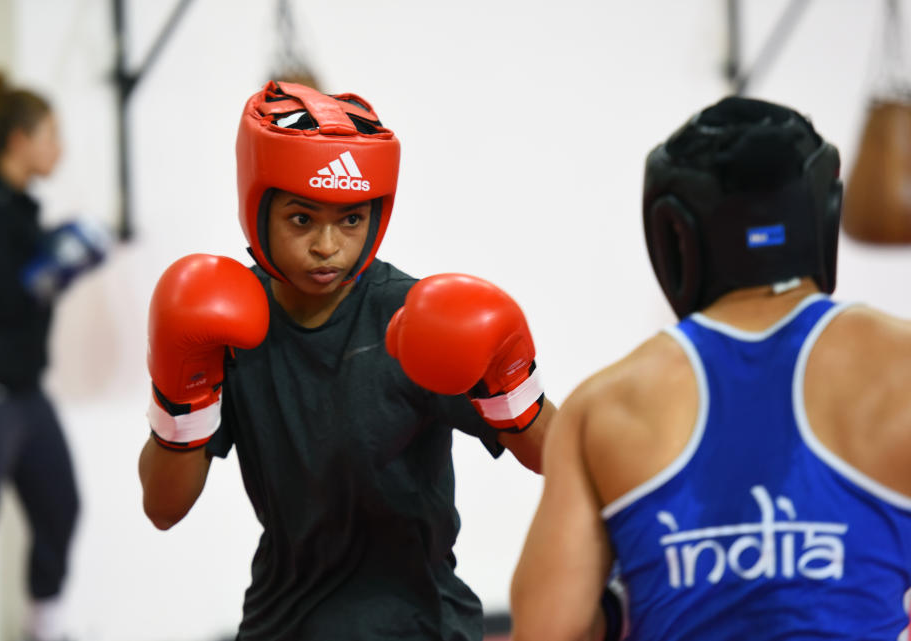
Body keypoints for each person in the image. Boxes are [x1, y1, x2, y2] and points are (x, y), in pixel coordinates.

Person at [137, 79, 555, 641]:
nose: (328, 246)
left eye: (351, 220)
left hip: (421, 623)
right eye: (302, 219)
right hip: (284, 622)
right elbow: (164, 507)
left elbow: (557, 454)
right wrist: (180, 398)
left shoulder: (412, 319)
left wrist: (511, 378)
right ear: (258, 207)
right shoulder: (225, 327)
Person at [510, 96, 911, 641]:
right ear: (823, 215)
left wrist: (621, 603)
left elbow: (549, 631)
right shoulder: (900, 368)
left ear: (673, 233)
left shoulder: (606, 404)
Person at [0, 72, 107, 641]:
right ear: (19, 141)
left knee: (60, 507)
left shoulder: (19, 208)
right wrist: (57, 265)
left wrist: (56, 253)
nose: (58, 149)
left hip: (27, 393)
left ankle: (45, 629)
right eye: (51, 135)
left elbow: (28, 284)